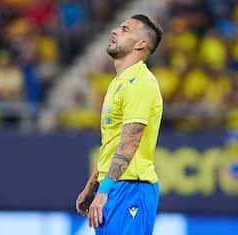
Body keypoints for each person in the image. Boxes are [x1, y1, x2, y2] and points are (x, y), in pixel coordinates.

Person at [75, 14, 163, 234]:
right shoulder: (118, 82)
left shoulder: (140, 82)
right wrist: (93, 184)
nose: (114, 30)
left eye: (125, 29)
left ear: (141, 44)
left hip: (132, 186)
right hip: (114, 185)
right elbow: (113, 142)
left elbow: (130, 142)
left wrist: (104, 190)